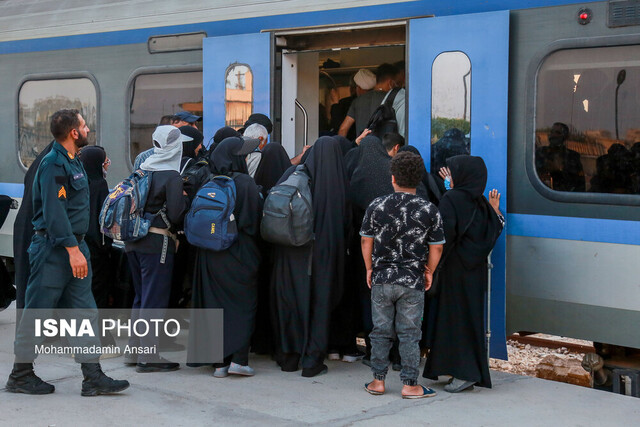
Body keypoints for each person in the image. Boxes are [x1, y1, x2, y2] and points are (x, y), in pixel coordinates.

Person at [7, 109, 129, 396]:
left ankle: (93, 376)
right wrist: (73, 250)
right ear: (74, 132)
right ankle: (21, 374)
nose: (88, 129)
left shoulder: (73, 162)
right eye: (84, 125)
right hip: (54, 250)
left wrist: (78, 248)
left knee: (85, 312)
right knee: (37, 313)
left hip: (75, 247)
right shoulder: (52, 165)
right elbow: (54, 212)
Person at [361, 152, 444, 399]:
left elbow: (366, 241)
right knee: (409, 333)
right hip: (412, 280)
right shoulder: (429, 209)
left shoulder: (377, 205)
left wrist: (369, 268)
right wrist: (429, 270)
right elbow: (437, 246)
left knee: (380, 331)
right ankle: (410, 385)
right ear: (418, 179)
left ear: (393, 177)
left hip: (382, 278)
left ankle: (377, 381)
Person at [423, 155, 504, 393]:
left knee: (452, 322)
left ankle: (463, 372)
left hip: (454, 273)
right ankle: (462, 370)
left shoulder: (452, 200)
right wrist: (495, 210)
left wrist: (430, 266)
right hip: (474, 273)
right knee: (468, 321)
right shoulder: (479, 202)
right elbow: (494, 229)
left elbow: (441, 238)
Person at [271, 136, 349, 377]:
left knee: (291, 303)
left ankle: (289, 357)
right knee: (319, 305)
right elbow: (346, 225)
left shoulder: (293, 175)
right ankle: (313, 360)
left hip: (292, 253)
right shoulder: (339, 183)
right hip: (324, 257)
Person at [189, 136, 263, 377]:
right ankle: (239, 360)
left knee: (215, 306)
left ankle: (219, 363)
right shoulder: (245, 183)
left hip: (210, 256)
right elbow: (253, 223)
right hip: (239, 254)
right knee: (242, 304)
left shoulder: (208, 181)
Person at [125, 125, 191, 373]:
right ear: (175, 147)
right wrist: (183, 197)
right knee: (154, 301)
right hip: (157, 242)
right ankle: (148, 357)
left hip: (133, 241)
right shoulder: (171, 176)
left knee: (141, 298)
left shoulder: (143, 169)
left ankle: (134, 351)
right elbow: (176, 214)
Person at [251, 142, 292, 355]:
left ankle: (260, 343)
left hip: (259, 253)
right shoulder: (287, 188)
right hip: (281, 253)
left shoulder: (255, 185)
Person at [79, 146, 116, 347]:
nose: (107, 164)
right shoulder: (100, 184)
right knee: (97, 291)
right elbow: (102, 220)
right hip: (95, 249)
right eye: (104, 161)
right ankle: (99, 337)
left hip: (78, 245)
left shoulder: (77, 182)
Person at [13, 141, 54, 319]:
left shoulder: (41, 162)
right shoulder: (53, 167)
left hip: (27, 227)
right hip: (39, 231)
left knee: (29, 284)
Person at [338, 64, 397, 138]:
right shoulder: (392, 98)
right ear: (391, 83)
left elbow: (343, 129)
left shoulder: (357, 101)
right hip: (384, 147)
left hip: (362, 146)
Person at [535, 122, 585, 192]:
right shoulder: (540, 153)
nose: (553, 135)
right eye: (552, 132)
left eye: (558, 133)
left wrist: (558, 170)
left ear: (565, 137)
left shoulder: (573, 157)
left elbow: (579, 184)